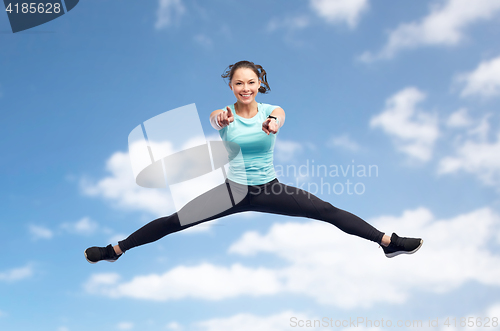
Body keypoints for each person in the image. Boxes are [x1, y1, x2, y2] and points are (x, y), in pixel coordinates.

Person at [85, 60, 423, 263]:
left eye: (251, 82)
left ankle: (388, 243)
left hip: (268, 189)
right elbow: (216, 118)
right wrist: (221, 120)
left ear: (259, 84)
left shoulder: (271, 111)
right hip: (231, 191)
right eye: (238, 83)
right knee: (176, 221)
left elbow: (279, 116)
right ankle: (116, 250)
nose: (245, 88)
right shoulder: (224, 113)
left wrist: (273, 124)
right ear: (231, 86)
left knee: (326, 210)